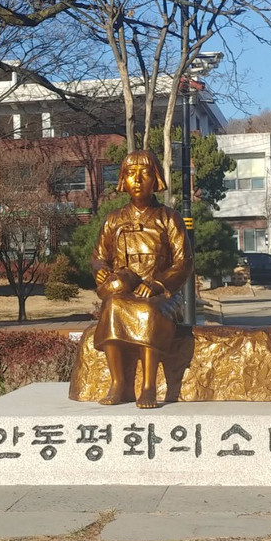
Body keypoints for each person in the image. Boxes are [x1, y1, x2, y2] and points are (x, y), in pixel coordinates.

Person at [91, 150, 193, 408]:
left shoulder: (169, 218)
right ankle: (119, 383)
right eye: (130, 174)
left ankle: (148, 386)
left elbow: (184, 261)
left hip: (161, 295)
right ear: (123, 181)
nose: (137, 180)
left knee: (147, 312)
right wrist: (101, 269)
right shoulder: (113, 220)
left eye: (145, 173)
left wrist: (158, 283)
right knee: (112, 307)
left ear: (156, 179)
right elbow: (98, 256)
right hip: (123, 292)